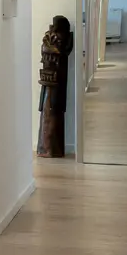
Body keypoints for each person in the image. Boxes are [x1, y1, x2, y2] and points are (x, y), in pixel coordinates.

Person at [37, 13, 74, 158]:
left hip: (56, 79)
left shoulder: (63, 37)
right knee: (47, 111)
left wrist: (53, 49)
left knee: (54, 110)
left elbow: (59, 51)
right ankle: (45, 148)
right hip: (49, 78)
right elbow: (48, 49)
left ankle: (51, 148)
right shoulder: (50, 36)